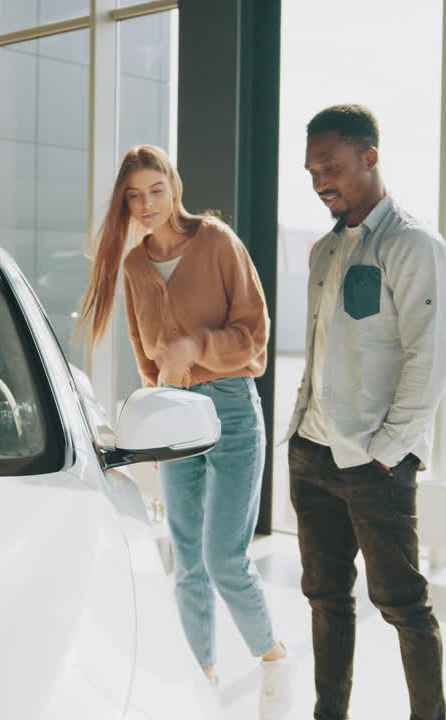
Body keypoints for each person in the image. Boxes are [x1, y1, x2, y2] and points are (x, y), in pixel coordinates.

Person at [79, 144, 290, 718]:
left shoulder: (218, 242)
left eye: (155, 190)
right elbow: (142, 353)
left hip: (231, 410)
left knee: (224, 558)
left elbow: (255, 339)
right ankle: (204, 681)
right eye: (134, 195)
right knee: (187, 561)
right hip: (172, 415)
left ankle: (272, 657)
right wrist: (152, 417)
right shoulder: (133, 267)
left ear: (174, 185)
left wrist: (198, 347)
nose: (147, 204)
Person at [286, 104, 446, 720]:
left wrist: (386, 453)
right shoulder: (324, 253)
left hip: (373, 461)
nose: (319, 182)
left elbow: (430, 361)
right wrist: (301, 437)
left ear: (370, 157)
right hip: (311, 450)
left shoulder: (413, 245)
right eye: (311, 171)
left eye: (330, 166)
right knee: (325, 598)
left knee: (403, 604)